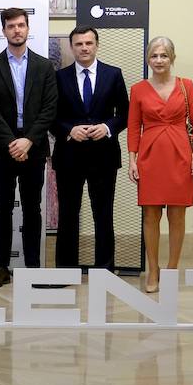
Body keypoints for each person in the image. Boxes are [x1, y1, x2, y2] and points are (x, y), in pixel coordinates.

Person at [0, 7, 58, 288]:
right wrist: (12, 142)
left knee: (32, 208)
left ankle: (33, 267)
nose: (16, 30)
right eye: (11, 26)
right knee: (1, 207)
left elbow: (50, 108)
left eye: (21, 25)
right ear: (4, 30)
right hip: (3, 147)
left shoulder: (44, 66)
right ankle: (1, 267)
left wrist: (29, 140)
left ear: (28, 28)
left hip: (33, 146)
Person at [128, 36, 193, 293]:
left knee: (177, 214)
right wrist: (132, 160)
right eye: (154, 56)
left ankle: (171, 270)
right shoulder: (138, 89)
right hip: (150, 157)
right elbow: (133, 127)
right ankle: (153, 270)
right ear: (148, 59)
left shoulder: (187, 86)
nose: (159, 60)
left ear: (172, 58)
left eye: (163, 55)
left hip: (180, 154)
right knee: (150, 215)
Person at [52, 26, 130, 270]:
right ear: (72, 47)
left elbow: (125, 114)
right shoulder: (59, 77)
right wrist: (68, 130)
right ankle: (65, 271)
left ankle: (105, 269)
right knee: (68, 215)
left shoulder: (113, 74)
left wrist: (107, 128)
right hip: (69, 157)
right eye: (79, 44)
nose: (84, 48)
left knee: (103, 214)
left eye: (88, 43)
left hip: (103, 156)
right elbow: (50, 116)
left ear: (97, 45)